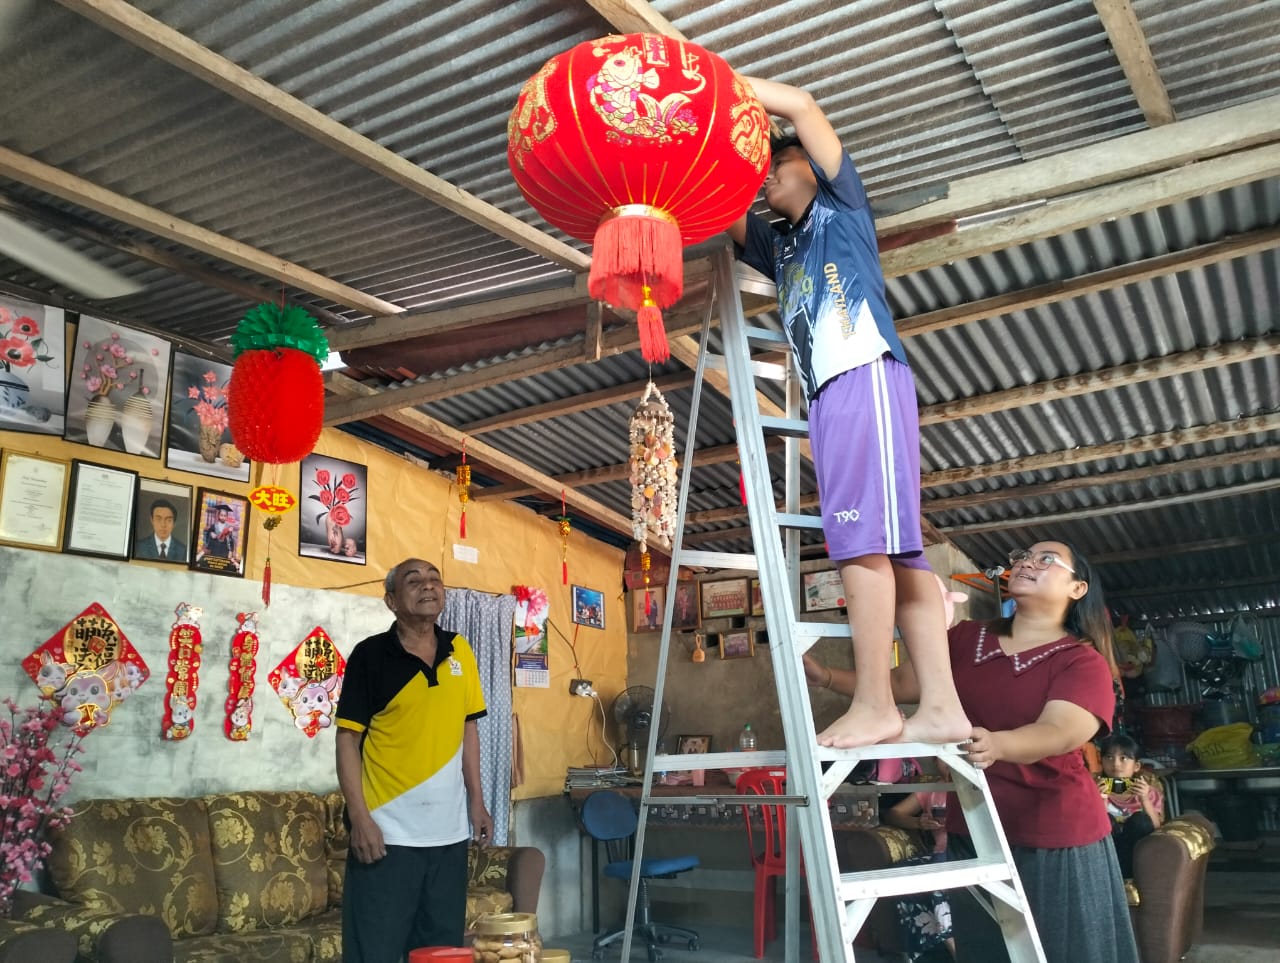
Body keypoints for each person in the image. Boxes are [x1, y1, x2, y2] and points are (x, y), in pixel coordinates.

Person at [728, 77, 968, 749]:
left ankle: (875, 700)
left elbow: (800, 104)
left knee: (862, 544)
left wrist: (719, 91)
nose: (768, 175)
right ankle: (941, 704)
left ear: (812, 162)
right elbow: (718, 209)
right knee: (899, 549)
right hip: (830, 393)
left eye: (778, 161)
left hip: (863, 375)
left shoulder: (842, 208)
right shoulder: (783, 248)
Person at [804, 540, 1139, 963]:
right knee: (987, 949)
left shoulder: (1080, 661)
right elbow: (902, 684)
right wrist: (827, 676)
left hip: (1056, 835)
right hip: (977, 825)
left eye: (1046, 560)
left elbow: (1061, 731)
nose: (1027, 564)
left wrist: (1000, 743)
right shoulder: (966, 638)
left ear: (1078, 589)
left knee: (1062, 951)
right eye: (1022, 557)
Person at [335, 558, 493, 961]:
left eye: (434, 579)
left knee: (441, 950)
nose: (428, 586)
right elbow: (348, 740)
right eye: (414, 580)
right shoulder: (370, 656)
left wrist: (477, 802)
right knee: (377, 948)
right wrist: (360, 818)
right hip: (387, 834)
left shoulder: (461, 650)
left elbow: (467, 730)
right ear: (390, 600)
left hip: (449, 833)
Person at [1097, 733, 1164, 877]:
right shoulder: (1093, 790)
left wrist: (1144, 799)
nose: (1115, 764)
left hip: (1138, 857)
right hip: (1108, 856)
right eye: (1109, 757)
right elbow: (1095, 830)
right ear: (1101, 761)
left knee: (1140, 819)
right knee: (1105, 820)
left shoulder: (1149, 791)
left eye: (1124, 758)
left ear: (1136, 766)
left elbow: (1157, 828)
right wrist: (1100, 800)